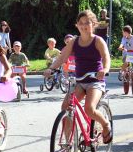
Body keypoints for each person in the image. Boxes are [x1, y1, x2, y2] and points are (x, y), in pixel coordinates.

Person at [44, 9, 112, 144]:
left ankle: (105, 125)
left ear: (93, 24)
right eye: (81, 23)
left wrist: (104, 69)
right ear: (77, 25)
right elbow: (62, 57)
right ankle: (68, 142)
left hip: (95, 81)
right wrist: (51, 68)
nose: (84, 25)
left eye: (87, 22)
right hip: (80, 81)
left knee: (89, 108)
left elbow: (106, 57)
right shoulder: (74, 42)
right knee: (66, 107)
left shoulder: (97, 41)